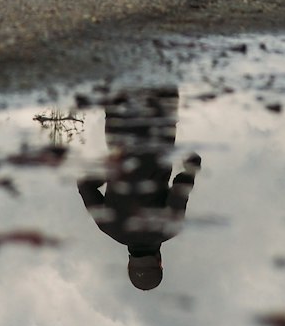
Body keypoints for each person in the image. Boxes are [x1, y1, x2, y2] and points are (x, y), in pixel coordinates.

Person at [77, 87, 200, 291]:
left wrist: (192, 168)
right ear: (129, 265)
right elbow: (84, 185)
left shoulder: (169, 227)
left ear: (160, 262)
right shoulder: (110, 228)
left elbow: (181, 187)